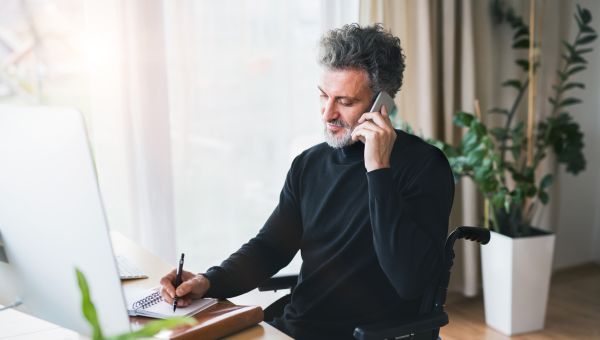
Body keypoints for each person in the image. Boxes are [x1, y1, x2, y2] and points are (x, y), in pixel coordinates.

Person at [160, 23, 454, 339]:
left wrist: (378, 171)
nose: (327, 113)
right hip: (294, 328)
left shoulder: (424, 167)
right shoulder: (309, 164)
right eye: (323, 96)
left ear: (381, 104)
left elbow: (409, 281)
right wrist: (209, 282)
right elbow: (270, 247)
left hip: (367, 335)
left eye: (345, 101)